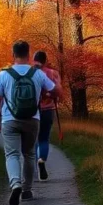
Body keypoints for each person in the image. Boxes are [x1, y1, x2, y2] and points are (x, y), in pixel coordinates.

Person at [0, 40, 55, 205]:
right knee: (29, 154)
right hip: (33, 120)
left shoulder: (4, 74)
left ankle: (15, 184)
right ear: (28, 54)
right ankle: (26, 190)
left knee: (12, 154)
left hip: (9, 120)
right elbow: (54, 90)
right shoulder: (37, 74)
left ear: (13, 55)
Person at [33, 50, 66, 182]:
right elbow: (59, 91)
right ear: (45, 60)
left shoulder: (31, 73)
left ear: (34, 60)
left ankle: (36, 166)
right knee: (44, 138)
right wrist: (50, 95)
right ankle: (42, 160)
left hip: (33, 111)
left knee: (34, 140)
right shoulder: (53, 73)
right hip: (48, 110)